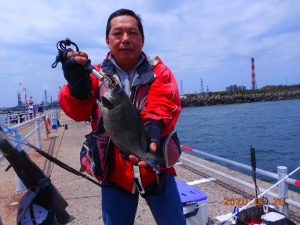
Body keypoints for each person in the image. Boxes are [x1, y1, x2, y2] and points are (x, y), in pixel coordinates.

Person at [58, 9, 185, 225]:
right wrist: (77, 87)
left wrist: (153, 127)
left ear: (142, 40)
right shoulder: (93, 75)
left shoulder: (160, 71)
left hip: (157, 170)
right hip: (114, 174)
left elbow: (164, 101)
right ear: (107, 40)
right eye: (118, 33)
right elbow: (78, 113)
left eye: (132, 33)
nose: (125, 39)